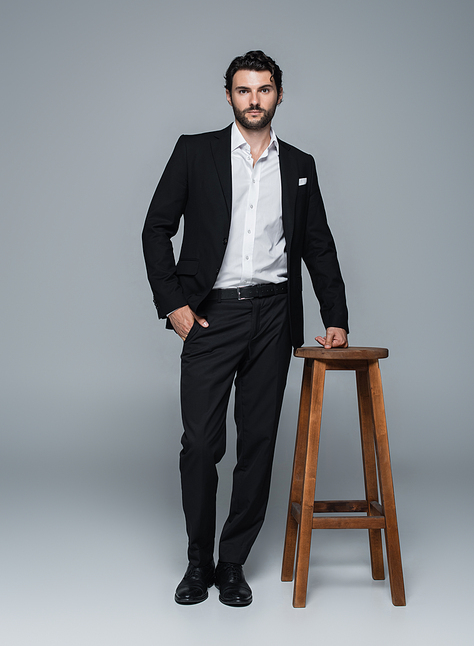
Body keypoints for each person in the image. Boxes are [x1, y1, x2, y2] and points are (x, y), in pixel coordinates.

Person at [142, 50, 348, 607]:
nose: (253, 100)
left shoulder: (299, 164)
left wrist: (335, 317)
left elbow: (318, 245)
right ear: (228, 95)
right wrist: (174, 305)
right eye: (243, 90)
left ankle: (232, 564)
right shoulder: (195, 152)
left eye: (263, 90)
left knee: (257, 443)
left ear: (279, 95)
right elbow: (156, 228)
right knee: (201, 444)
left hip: (274, 316)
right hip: (211, 314)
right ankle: (197, 561)